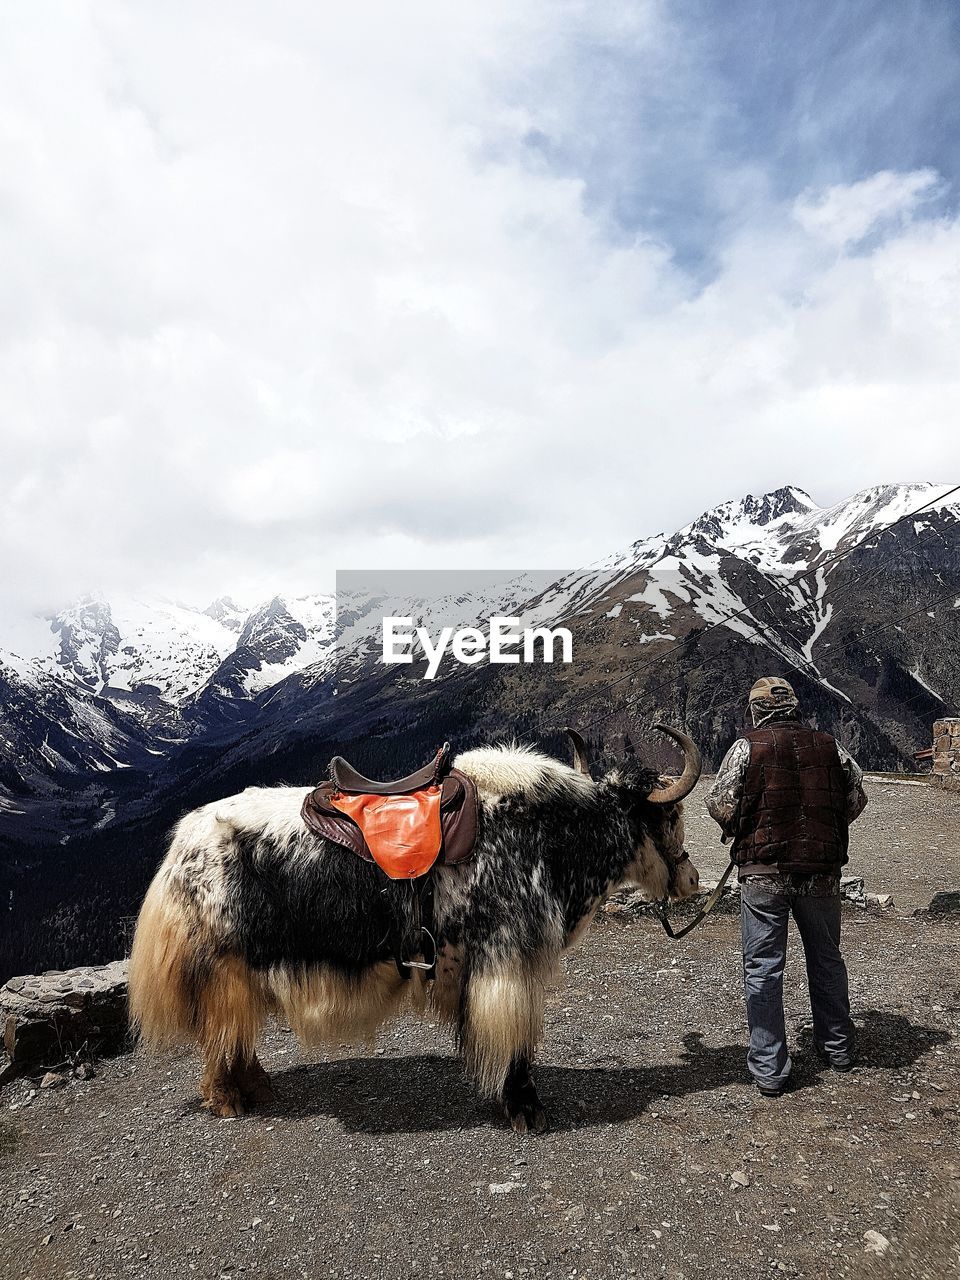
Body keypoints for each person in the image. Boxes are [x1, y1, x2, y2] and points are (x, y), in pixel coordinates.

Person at [705, 676, 868, 1097]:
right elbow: (855, 798)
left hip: (764, 873)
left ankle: (770, 1069)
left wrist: (747, 825)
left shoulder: (747, 746)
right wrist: (820, 828)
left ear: (756, 710)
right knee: (826, 958)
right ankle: (839, 1048)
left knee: (763, 968)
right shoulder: (831, 746)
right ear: (794, 707)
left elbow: (719, 805)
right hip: (821, 871)